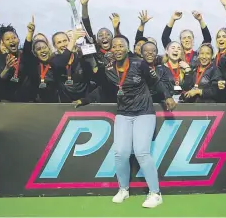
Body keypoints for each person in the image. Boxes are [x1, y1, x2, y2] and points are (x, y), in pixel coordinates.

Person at [75, 35, 176, 208]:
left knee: (141, 152)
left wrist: (167, 96)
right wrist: (85, 100)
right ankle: (123, 189)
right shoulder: (108, 69)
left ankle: (155, 193)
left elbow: (156, 81)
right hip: (123, 113)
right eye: (115, 46)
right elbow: (102, 89)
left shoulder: (138, 64)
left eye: (121, 46)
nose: (118, 49)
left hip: (144, 112)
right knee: (120, 153)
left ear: (127, 48)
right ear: (112, 50)